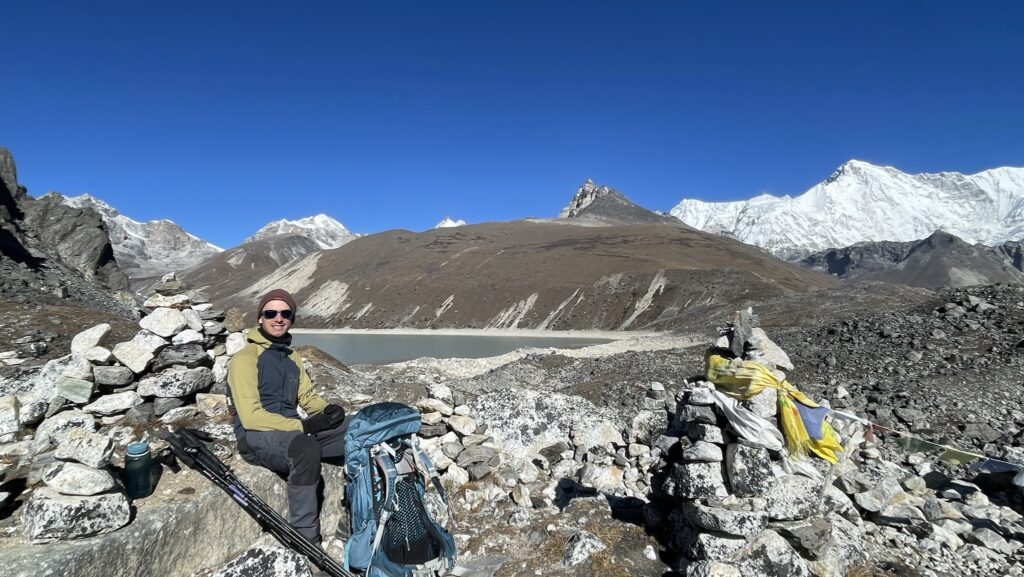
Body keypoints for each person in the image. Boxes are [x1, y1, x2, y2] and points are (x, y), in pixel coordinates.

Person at [227, 288, 347, 543]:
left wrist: (327, 411)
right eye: (271, 313)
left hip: (291, 432)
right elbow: (250, 417)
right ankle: (306, 540)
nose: (278, 318)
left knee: (359, 428)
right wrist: (303, 426)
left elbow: (308, 398)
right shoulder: (245, 359)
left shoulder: (293, 357)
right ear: (260, 318)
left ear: (291, 318)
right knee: (305, 448)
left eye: (285, 313)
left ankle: (358, 512)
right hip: (257, 438)